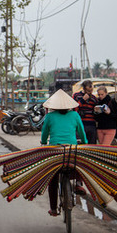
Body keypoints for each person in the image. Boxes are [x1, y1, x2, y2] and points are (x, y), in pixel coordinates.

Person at [40, 89, 88, 217]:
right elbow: (82, 132)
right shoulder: (75, 115)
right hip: (72, 148)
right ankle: (78, 183)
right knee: (79, 162)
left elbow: (44, 133)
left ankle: (53, 209)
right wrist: (84, 142)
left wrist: (43, 141)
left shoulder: (50, 116)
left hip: (55, 150)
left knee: (53, 178)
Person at [72, 80, 98, 144]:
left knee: (92, 145)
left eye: (91, 90)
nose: (90, 92)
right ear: (83, 89)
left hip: (91, 125)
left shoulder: (94, 98)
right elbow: (74, 109)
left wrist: (97, 110)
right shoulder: (76, 96)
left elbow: (96, 112)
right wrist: (82, 100)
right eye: (88, 91)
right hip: (80, 124)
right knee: (79, 144)